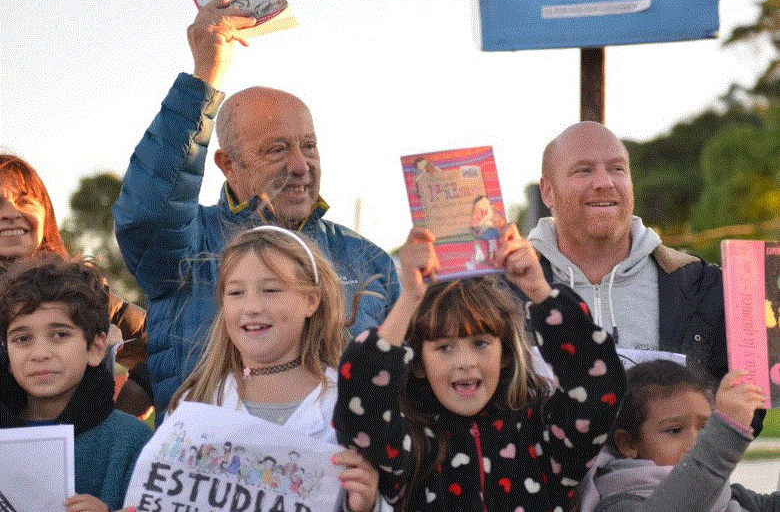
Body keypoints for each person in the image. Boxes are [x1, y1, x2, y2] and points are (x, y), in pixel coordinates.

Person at [113, 0, 399, 417]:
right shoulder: (186, 248)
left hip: (336, 478)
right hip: (209, 476)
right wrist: (203, 78)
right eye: (277, 150)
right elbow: (148, 212)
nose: (300, 166)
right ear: (228, 165)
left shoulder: (370, 262)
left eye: (309, 147)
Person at [333, 224, 626, 512]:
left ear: (505, 354)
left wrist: (538, 290)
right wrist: (410, 299)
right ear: (419, 364)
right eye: (444, 347)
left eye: (480, 343)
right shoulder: (410, 442)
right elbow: (361, 403)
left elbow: (599, 388)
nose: (465, 362)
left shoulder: (544, 432)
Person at [168, 225, 379, 512]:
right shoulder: (197, 401)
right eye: (236, 292)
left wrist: (366, 505)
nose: (251, 306)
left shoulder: (352, 403)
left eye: (270, 290)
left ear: (311, 300)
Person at [529, 121, 727, 382]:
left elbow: (747, 404)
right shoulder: (503, 291)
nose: (604, 182)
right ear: (547, 191)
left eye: (617, 169)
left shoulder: (703, 286)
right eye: (584, 170)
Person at [0, 153, 152, 415]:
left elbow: (158, 341)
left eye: (24, 200)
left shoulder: (84, 292)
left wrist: (125, 409)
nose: (11, 213)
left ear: (45, 212)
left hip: (84, 451)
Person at [0, 255, 152, 512]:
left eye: (59, 334)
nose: (40, 354)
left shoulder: (132, 443)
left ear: (95, 347)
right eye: (23, 339)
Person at [579, 359, 777, 512]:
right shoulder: (619, 501)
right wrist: (725, 433)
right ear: (628, 443)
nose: (694, 443)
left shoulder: (726, 494)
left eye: (705, 429)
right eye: (674, 431)